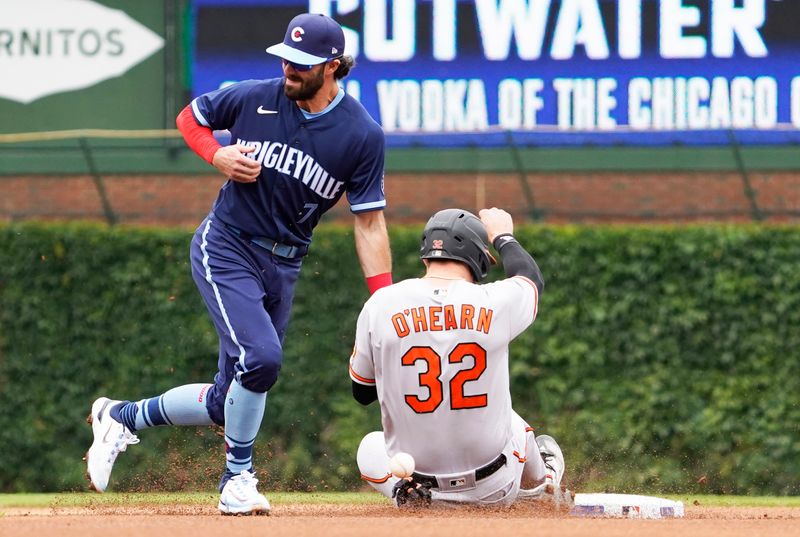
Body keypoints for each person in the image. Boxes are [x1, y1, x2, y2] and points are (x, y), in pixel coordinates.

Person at [85, 13, 392, 515]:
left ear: (333, 66)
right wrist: (216, 156)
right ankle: (237, 480)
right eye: (286, 58)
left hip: (286, 263)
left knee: (227, 398)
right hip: (227, 244)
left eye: (303, 64)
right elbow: (191, 117)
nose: (289, 69)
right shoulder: (255, 96)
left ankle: (120, 417)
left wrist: (384, 299)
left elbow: (369, 223)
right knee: (264, 360)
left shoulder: (361, 135)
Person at [349, 207, 571, 508]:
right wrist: (503, 237)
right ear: (478, 259)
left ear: (427, 255)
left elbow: (362, 393)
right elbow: (530, 279)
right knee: (512, 422)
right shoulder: (493, 301)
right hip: (494, 489)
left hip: (418, 479)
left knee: (368, 448)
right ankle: (542, 481)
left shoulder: (380, 304)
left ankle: (408, 493)